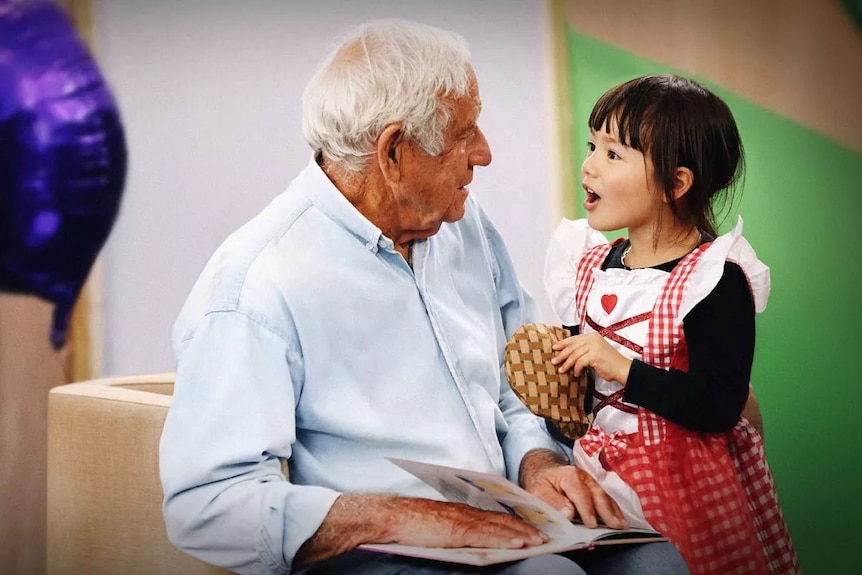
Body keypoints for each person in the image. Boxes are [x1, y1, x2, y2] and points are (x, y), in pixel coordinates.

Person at [159, 19, 688, 575]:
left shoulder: (462, 222)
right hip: (381, 553)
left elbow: (517, 376)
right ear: (393, 152)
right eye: (466, 133)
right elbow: (208, 503)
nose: (483, 154)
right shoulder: (255, 284)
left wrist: (536, 462)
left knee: (660, 563)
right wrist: (403, 518)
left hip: (512, 521)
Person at [543, 74, 799, 574]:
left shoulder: (713, 280)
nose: (589, 166)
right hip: (594, 468)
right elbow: (582, 385)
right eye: (592, 145)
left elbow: (720, 405)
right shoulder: (591, 261)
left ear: (675, 184)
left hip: (679, 482)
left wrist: (622, 367)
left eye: (613, 155)